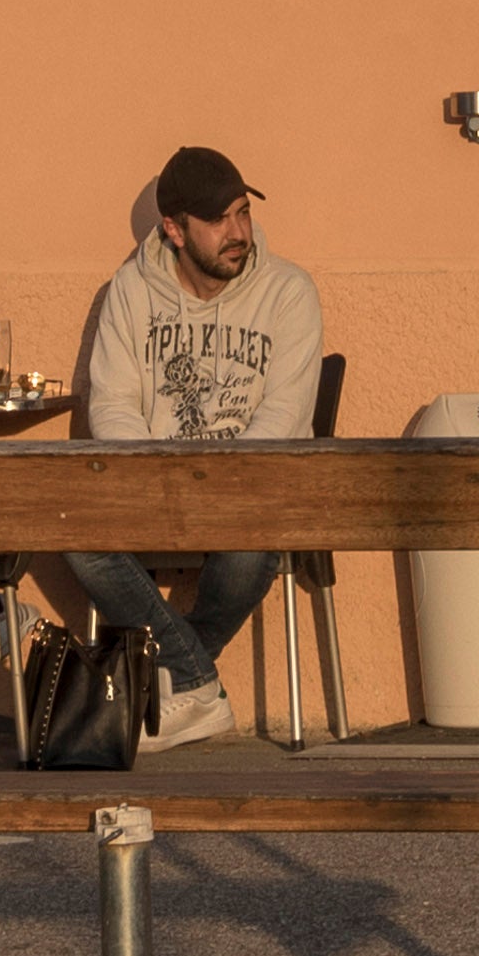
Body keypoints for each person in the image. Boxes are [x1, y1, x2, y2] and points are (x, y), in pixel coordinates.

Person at [64, 142, 326, 746]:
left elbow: (284, 414)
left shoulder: (289, 292)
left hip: (251, 492)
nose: (238, 233)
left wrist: (220, 489)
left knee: (246, 551)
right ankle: (195, 682)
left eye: (242, 213)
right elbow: (111, 403)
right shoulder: (131, 291)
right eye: (218, 221)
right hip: (157, 488)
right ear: (175, 231)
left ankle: (170, 686)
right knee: (76, 535)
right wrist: (155, 485)